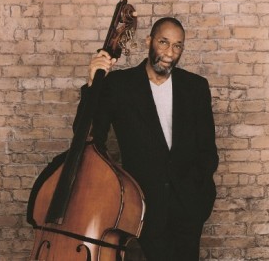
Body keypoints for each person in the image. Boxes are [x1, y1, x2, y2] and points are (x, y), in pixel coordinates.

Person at [76, 17, 219, 260]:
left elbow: (207, 150)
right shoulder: (119, 85)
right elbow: (88, 135)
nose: (170, 53)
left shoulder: (195, 87)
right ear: (149, 41)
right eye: (163, 42)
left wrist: (198, 195)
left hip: (189, 205)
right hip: (143, 207)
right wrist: (93, 84)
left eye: (177, 46)